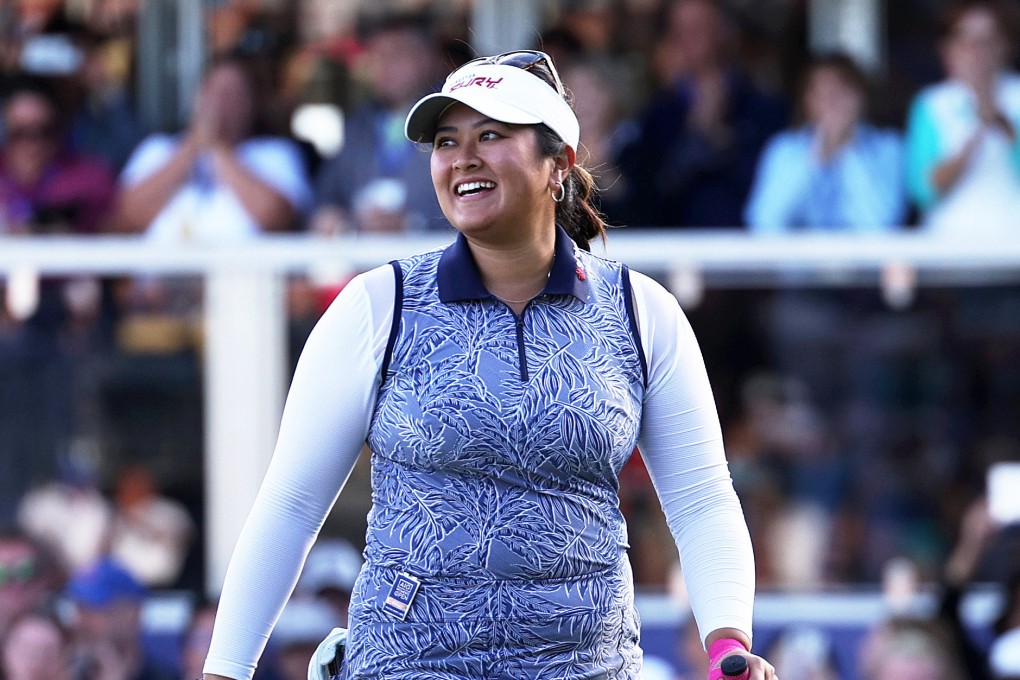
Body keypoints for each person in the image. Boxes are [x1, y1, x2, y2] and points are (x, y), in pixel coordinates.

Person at [201, 50, 773, 679]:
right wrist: (225, 671)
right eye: (447, 141)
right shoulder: (374, 307)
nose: (462, 157)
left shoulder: (643, 312)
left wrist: (727, 643)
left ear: (559, 164)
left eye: (492, 135)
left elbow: (700, 499)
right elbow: (290, 507)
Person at [615, 0, 787, 228]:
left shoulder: (764, 108)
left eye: (700, 27)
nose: (690, 38)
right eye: (680, 31)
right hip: (674, 249)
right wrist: (695, 134)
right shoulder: (658, 114)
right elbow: (651, 194)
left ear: (725, 32)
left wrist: (721, 137)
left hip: (745, 247)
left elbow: (770, 187)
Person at [113, 55, 312, 242]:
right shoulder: (156, 149)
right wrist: (191, 148)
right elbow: (129, 216)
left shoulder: (275, 153)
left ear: (251, 104)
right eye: (213, 91)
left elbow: (275, 218)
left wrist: (218, 148)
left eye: (232, 94)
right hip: (162, 276)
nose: (220, 102)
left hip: (244, 275)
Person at [309, 10, 447, 235]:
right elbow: (325, 197)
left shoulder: (452, 117)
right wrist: (330, 216)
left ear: (426, 58)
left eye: (396, 54)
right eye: (376, 56)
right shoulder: (356, 125)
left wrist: (414, 224)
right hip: (364, 262)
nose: (384, 65)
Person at [745, 53, 907, 232]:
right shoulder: (784, 148)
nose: (832, 101)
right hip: (800, 259)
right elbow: (764, 221)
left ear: (860, 96)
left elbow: (882, 223)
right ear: (807, 100)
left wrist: (849, 149)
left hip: (863, 259)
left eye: (841, 91)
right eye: (822, 93)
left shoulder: (888, 146)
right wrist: (815, 154)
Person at [905, 0, 1020, 234]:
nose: (977, 52)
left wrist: (1004, 126)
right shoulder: (932, 104)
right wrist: (977, 131)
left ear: (1005, 46)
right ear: (948, 49)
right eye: (967, 41)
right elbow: (923, 191)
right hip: (950, 248)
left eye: (987, 41)